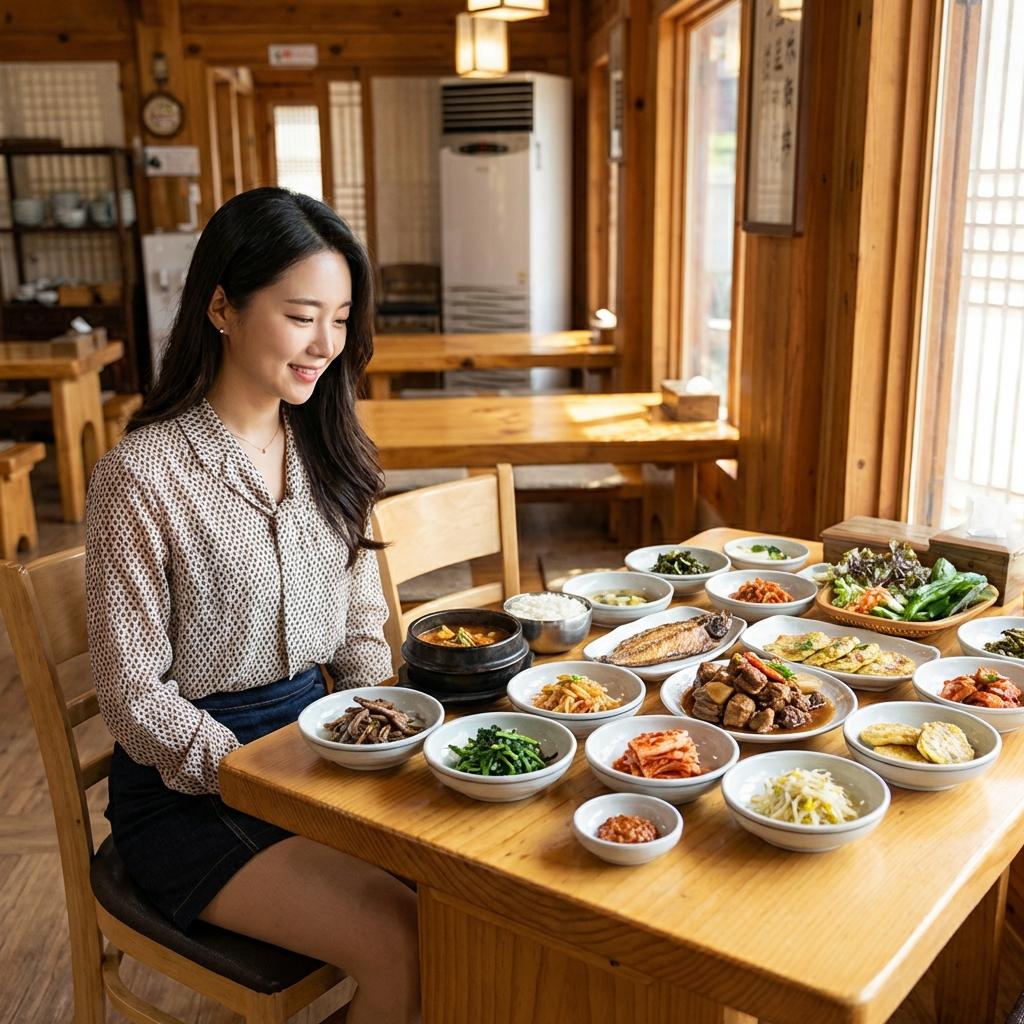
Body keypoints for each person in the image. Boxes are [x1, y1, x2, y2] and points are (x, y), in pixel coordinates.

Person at [85, 187, 419, 1024]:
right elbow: (131, 696)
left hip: (322, 752)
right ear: (223, 307)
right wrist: (250, 773)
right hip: (192, 788)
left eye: (341, 320)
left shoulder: (329, 450)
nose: (325, 346)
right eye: (302, 315)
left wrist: (378, 727)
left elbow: (355, 632)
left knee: (483, 902)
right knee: (402, 945)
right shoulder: (143, 475)